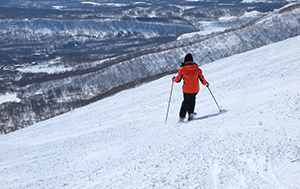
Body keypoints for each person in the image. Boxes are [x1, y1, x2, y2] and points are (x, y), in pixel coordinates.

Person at [173, 53, 209, 122]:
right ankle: (190, 114)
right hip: (195, 89)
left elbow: (178, 80)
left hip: (186, 90)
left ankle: (182, 117)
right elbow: (202, 79)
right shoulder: (197, 69)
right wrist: (206, 84)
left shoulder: (182, 69)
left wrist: (174, 79)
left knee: (186, 102)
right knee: (192, 100)